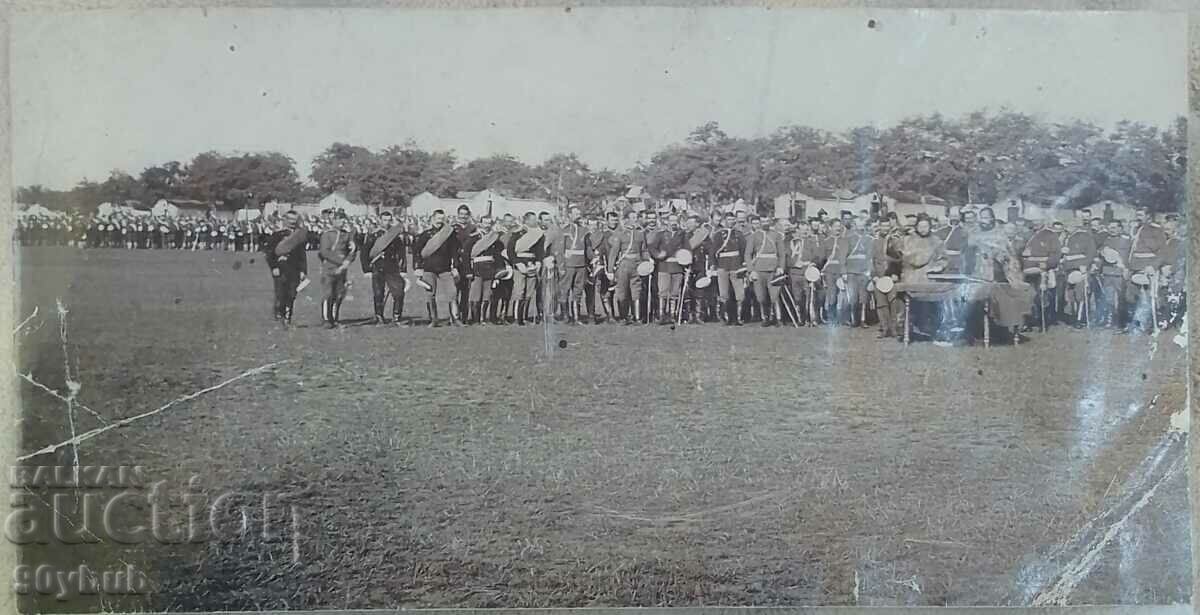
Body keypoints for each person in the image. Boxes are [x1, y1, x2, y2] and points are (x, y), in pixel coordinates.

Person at [413, 209, 462, 327]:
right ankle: (433, 319)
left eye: (442, 219)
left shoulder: (449, 234)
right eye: (438, 218)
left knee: (452, 293)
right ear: (433, 218)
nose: (440, 221)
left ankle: (455, 319)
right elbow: (417, 251)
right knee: (430, 294)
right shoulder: (425, 235)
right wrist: (418, 267)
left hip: (445, 268)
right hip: (429, 268)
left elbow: (454, 251)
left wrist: (455, 267)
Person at [362, 210, 410, 326]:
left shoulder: (394, 236)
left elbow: (401, 252)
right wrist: (366, 270)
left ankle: (397, 318)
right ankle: (379, 318)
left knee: (399, 293)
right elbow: (364, 253)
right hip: (377, 267)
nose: (386, 223)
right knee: (378, 294)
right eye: (384, 220)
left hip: (392, 268)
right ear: (379, 220)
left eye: (389, 220)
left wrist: (403, 269)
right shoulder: (373, 235)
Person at [265, 211, 308, 326]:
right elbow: (270, 253)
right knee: (281, 292)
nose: (293, 222)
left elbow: (302, 254)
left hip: (294, 268)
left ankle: (288, 317)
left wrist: (303, 270)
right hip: (281, 267)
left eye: (295, 219)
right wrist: (274, 267)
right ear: (285, 219)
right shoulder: (278, 235)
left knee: (292, 293)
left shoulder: (299, 235)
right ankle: (279, 314)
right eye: (290, 219)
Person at [463, 215, 507, 325]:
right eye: (485, 223)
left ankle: (483, 318)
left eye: (489, 223)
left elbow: (497, 255)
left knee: (487, 295)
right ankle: (475, 319)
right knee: (475, 295)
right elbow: (466, 255)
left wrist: (498, 271)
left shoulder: (494, 239)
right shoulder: (474, 238)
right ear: (480, 224)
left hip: (490, 269)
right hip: (477, 269)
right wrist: (468, 271)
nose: (487, 226)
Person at [607, 209, 648, 325]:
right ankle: (623, 317)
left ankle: (637, 317)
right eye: (632, 218)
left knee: (637, 291)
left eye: (636, 218)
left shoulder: (640, 233)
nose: (635, 220)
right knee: (622, 292)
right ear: (626, 220)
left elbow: (643, 250)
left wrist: (648, 260)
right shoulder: (620, 234)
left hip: (637, 265)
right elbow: (614, 253)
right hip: (624, 265)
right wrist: (610, 270)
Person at [317, 211, 357, 329]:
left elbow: (353, 250)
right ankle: (326, 319)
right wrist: (341, 262)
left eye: (343, 220)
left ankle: (334, 318)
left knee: (339, 294)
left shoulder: (347, 235)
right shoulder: (327, 235)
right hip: (329, 268)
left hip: (343, 269)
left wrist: (347, 261)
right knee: (328, 294)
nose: (342, 222)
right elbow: (324, 252)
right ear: (333, 221)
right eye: (339, 220)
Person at [744, 215, 785, 326]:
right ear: (759, 223)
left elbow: (781, 254)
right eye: (763, 221)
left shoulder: (776, 235)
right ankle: (765, 317)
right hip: (759, 269)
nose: (765, 223)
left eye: (767, 221)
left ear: (770, 221)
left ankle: (776, 317)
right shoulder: (754, 236)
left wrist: (781, 267)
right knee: (760, 297)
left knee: (774, 296)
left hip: (773, 269)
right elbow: (748, 254)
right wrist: (751, 270)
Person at [709, 211, 746, 326]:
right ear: (725, 221)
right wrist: (713, 265)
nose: (731, 222)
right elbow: (713, 251)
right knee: (724, 293)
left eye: (733, 219)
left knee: (739, 294)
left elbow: (743, 250)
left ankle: (738, 318)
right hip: (722, 266)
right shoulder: (719, 235)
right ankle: (726, 318)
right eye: (729, 220)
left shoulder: (739, 234)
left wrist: (743, 265)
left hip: (736, 266)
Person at [556, 205, 592, 324]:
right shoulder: (564, 230)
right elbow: (560, 250)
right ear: (570, 215)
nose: (578, 216)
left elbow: (587, 249)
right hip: (568, 265)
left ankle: (576, 317)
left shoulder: (584, 231)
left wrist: (592, 260)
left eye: (579, 213)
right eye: (576, 214)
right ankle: (565, 316)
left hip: (581, 265)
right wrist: (561, 266)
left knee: (578, 291)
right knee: (564, 290)